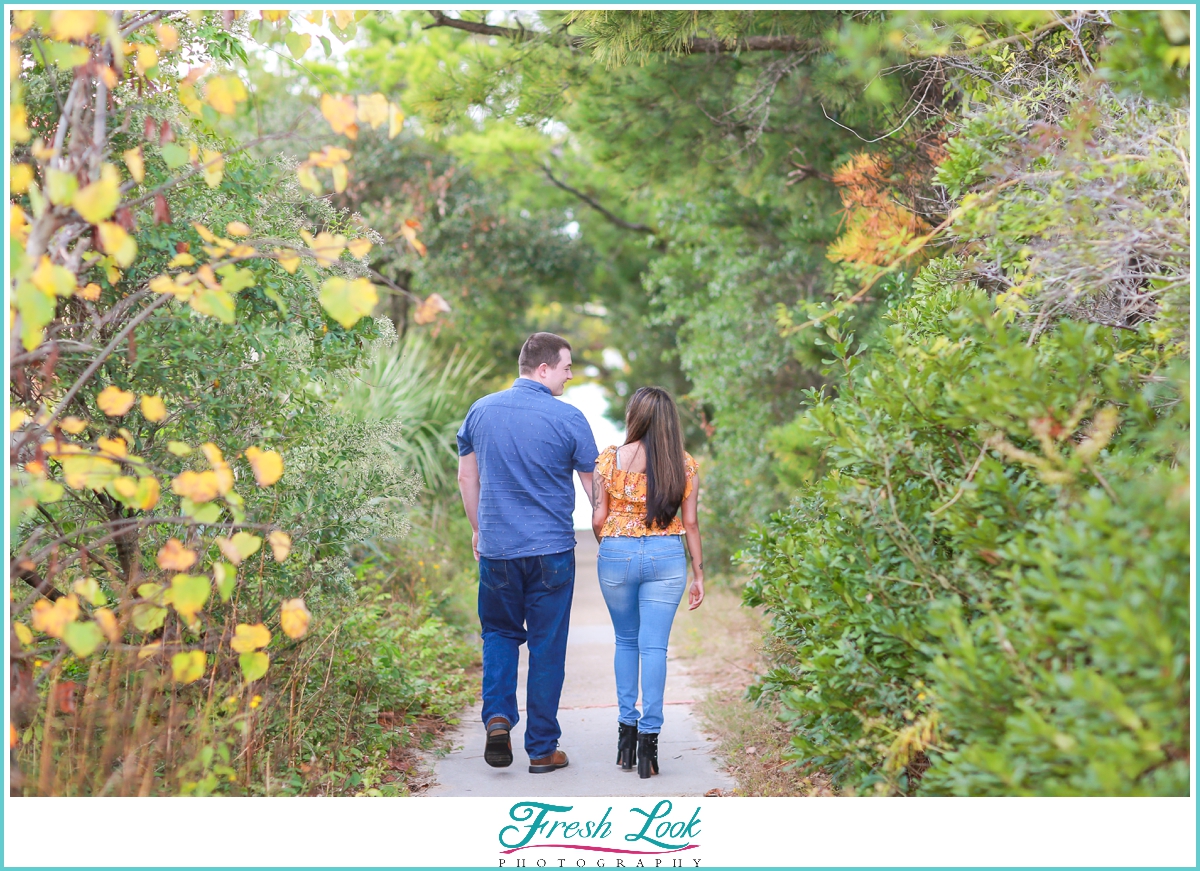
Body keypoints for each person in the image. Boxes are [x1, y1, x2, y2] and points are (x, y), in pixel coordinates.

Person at [456, 332, 598, 774]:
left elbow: (466, 479)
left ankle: (498, 718)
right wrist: (606, 530)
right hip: (551, 552)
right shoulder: (569, 417)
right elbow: (594, 486)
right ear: (543, 369)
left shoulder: (480, 410)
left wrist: (480, 530)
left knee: (498, 635)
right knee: (547, 647)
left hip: (498, 550)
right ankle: (542, 749)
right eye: (566, 367)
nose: (570, 374)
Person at [590, 386, 705, 779]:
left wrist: (610, 546)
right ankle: (649, 744)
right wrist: (700, 573)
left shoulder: (608, 461)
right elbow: (690, 523)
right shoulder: (685, 465)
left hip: (617, 553)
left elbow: (596, 518)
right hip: (667, 556)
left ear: (634, 416)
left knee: (626, 641)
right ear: (670, 422)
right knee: (654, 648)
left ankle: (626, 733)